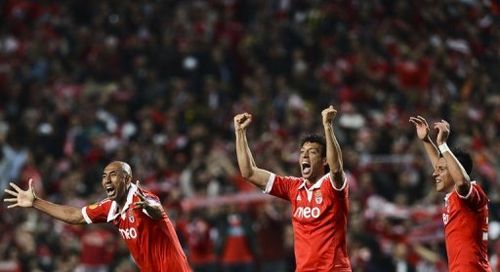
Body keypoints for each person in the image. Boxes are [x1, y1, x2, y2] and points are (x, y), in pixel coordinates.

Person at [4, 161, 191, 272]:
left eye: (113, 175)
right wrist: (36, 202)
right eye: (104, 176)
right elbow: (75, 215)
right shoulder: (110, 207)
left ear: (127, 179)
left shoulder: (143, 198)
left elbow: (157, 209)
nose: (107, 180)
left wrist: (149, 208)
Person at [234, 106, 351, 272]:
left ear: (324, 160)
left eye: (312, 152)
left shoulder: (333, 187)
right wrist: (240, 133)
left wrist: (328, 126)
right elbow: (249, 172)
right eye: (302, 152)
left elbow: (337, 169)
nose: (304, 155)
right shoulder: (293, 187)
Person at [409, 116, 491, 271]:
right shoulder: (454, 195)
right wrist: (426, 140)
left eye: (440, 170)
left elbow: (460, 181)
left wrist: (442, 144)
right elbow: (443, 167)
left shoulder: (472, 195)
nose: (434, 174)